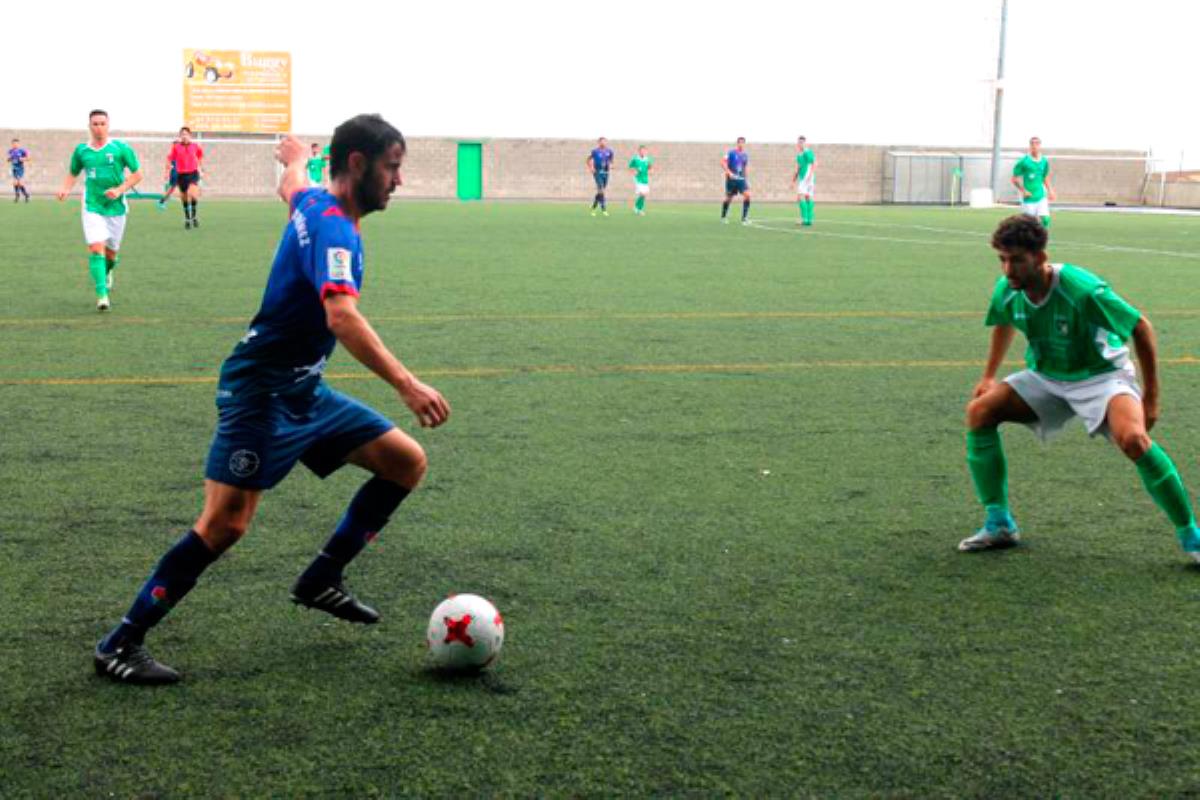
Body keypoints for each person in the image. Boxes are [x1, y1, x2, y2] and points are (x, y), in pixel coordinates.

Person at [92, 114, 451, 685]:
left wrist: (291, 158)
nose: (399, 181)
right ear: (358, 164)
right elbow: (341, 315)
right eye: (393, 167)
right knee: (223, 526)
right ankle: (120, 643)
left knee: (406, 462)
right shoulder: (332, 226)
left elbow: (291, 183)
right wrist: (406, 384)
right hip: (261, 392)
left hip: (305, 390)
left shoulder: (312, 201)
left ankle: (321, 578)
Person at [960, 215, 1200, 562]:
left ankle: (1191, 535)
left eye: (1017, 260)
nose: (1008, 269)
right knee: (979, 412)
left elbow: (1141, 328)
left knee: (1134, 440)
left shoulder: (1080, 289)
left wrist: (1151, 398)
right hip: (1047, 377)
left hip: (1102, 377)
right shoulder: (1008, 290)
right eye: (1002, 259)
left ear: (1041, 258)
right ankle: (999, 524)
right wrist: (988, 376)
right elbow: (1003, 321)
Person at [56, 110, 143, 312]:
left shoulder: (120, 148)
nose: (99, 128)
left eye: (102, 123)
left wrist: (120, 190)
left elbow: (138, 175)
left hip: (116, 207)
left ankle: (108, 271)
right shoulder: (81, 151)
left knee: (111, 255)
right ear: (89, 126)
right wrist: (65, 189)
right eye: (95, 124)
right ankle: (102, 295)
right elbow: (73, 173)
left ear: (108, 125)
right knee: (96, 248)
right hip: (92, 205)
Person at [1011, 136, 1055, 230]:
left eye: (1037, 143)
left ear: (1040, 146)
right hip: (1028, 197)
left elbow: (1045, 176)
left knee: (1046, 219)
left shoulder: (1044, 161)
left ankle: (1042, 239)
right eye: (1032, 144)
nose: (1034, 146)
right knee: (1028, 223)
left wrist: (1050, 190)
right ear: (1029, 146)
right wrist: (1023, 190)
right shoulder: (1024, 161)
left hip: (1040, 195)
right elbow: (1014, 179)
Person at [167, 127, 205, 229]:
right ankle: (188, 218)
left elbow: (200, 156)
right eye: (182, 134)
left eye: (186, 134)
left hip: (193, 173)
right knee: (184, 197)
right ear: (180, 136)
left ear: (189, 135)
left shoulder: (195, 146)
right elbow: (170, 158)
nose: (184, 136)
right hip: (181, 175)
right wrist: (168, 171)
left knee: (193, 194)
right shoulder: (176, 147)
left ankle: (194, 215)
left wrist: (200, 168)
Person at [721, 137, 751, 224]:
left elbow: (744, 167)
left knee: (747, 195)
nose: (741, 144)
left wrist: (745, 178)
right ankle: (723, 216)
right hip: (731, 179)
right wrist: (729, 172)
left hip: (741, 179)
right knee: (728, 198)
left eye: (743, 143)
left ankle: (744, 218)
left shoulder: (745, 155)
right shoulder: (730, 153)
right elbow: (722, 162)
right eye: (740, 142)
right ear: (737, 143)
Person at [586, 136, 614, 216]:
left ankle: (593, 206)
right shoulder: (595, 151)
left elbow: (611, 161)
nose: (603, 143)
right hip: (597, 172)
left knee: (600, 191)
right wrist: (591, 168)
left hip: (606, 173)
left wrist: (611, 166)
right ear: (598, 142)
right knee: (601, 190)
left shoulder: (610, 151)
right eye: (601, 141)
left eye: (605, 141)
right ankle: (603, 209)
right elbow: (588, 160)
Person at [793, 136, 816, 226]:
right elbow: (798, 169)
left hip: (807, 178)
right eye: (799, 142)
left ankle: (805, 219)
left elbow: (814, 163)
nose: (800, 144)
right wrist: (793, 181)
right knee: (807, 197)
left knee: (800, 197)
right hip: (804, 178)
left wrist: (810, 175)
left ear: (805, 143)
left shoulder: (807, 152)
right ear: (797, 144)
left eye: (802, 142)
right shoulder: (799, 156)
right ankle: (809, 220)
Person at [627, 145, 654, 216]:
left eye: (644, 151)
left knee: (644, 195)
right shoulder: (635, 159)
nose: (643, 152)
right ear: (638, 151)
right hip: (637, 178)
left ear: (646, 151)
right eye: (641, 150)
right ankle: (640, 209)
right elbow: (630, 168)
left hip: (645, 179)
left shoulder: (648, 159)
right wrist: (634, 171)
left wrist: (651, 171)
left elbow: (650, 167)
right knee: (642, 194)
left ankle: (636, 207)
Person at [9, 138, 30, 202]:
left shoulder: (22, 150)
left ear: (18, 144)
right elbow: (8, 159)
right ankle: (18, 195)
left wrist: (23, 159)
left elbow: (28, 158)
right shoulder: (11, 151)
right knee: (15, 183)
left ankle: (25, 194)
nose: (15, 145)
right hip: (14, 168)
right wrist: (10, 158)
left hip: (20, 168)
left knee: (20, 183)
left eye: (16, 143)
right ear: (12, 144)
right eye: (13, 143)